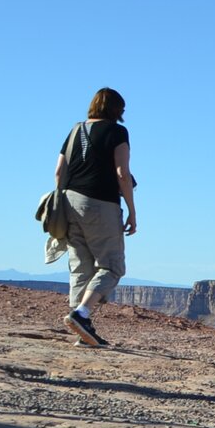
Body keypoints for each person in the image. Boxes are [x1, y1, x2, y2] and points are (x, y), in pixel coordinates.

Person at [55, 87, 137, 347]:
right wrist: (132, 210)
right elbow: (122, 173)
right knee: (112, 266)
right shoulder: (117, 131)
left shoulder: (76, 130)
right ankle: (81, 314)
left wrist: (62, 201)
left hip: (69, 202)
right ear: (116, 110)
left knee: (81, 266)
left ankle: (83, 331)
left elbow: (59, 171)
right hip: (100, 203)